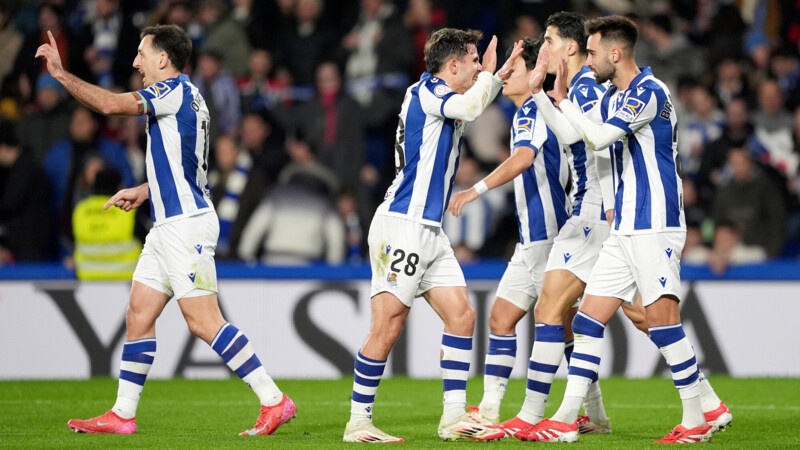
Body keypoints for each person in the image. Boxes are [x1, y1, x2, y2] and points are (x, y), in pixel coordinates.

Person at [36, 24, 296, 436]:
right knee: (139, 313)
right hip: (168, 222)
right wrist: (146, 190)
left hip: (185, 224)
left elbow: (110, 105)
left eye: (141, 54)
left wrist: (61, 75)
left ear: (163, 58)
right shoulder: (192, 96)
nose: (135, 62)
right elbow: (187, 167)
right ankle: (123, 414)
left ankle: (274, 399)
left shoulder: (170, 91)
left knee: (204, 321)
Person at [516, 15, 727, 443]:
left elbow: (599, 138)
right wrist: (542, 94)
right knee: (588, 321)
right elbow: (574, 133)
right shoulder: (614, 94)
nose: (589, 60)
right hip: (624, 226)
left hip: (654, 223)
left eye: (593, 53)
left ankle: (697, 418)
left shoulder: (650, 92)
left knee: (661, 322)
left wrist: (564, 98)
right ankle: (565, 419)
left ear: (615, 53)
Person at [342, 29, 523, 443]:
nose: (477, 67)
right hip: (403, 225)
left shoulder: (447, 99)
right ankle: (358, 421)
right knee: (388, 325)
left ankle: (454, 417)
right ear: (452, 65)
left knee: (462, 316)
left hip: (430, 230)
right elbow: (473, 105)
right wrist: (490, 77)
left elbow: (472, 105)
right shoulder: (427, 91)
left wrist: (496, 77)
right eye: (473, 60)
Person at [448, 34, 572, 430]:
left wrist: (475, 189)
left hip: (550, 238)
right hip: (533, 240)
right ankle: (489, 410)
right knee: (503, 319)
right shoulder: (537, 109)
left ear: (535, 71)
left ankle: (546, 413)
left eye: (513, 68)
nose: (506, 76)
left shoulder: (532, 111)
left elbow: (522, 158)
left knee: (562, 325)